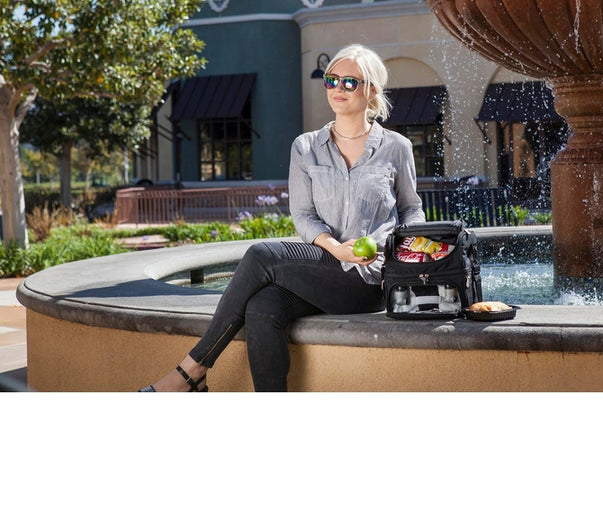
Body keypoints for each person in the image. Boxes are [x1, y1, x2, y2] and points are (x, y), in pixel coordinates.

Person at [140, 43, 426, 392]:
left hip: (369, 280)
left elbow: (411, 209)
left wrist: (395, 253)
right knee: (263, 307)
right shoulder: (305, 147)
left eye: (349, 82)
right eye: (331, 79)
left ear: (371, 91)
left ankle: (190, 372)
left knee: (261, 255)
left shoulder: (396, 147)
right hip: (325, 263)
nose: (337, 88)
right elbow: (304, 215)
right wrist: (336, 248)